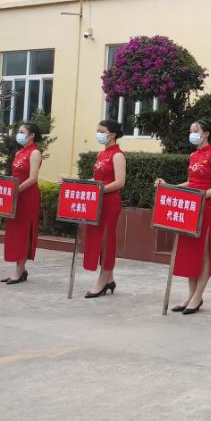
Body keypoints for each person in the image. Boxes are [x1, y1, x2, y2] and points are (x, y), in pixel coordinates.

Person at [155, 119, 211, 314]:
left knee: (203, 252)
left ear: (206, 133)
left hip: (204, 208)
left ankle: (198, 296)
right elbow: (191, 182)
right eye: (191, 130)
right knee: (190, 252)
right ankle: (190, 295)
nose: (192, 134)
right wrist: (170, 187)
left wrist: (199, 197)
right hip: (190, 209)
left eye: (196, 130)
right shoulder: (193, 155)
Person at [82, 119, 127, 298]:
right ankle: (110, 280)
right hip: (98, 201)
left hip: (110, 202)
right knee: (98, 239)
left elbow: (119, 182)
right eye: (98, 130)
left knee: (107, 240)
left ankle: (102, 281)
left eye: (102, 131)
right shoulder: (102, 154)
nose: (99, 134)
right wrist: (80, 183)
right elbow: (98, 179)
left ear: (112, 134)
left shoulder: (117, 155)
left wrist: (98, 190)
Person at [1, 122, 42, 285]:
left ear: (31, 135)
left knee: (25, 231)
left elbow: (33, 178)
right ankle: (20, 269)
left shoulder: (35, 153)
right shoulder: (19, 153)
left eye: (22, 132)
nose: (18, 134)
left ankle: (19, 270)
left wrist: (15, 190)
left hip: (28, 197)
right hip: (16, 196)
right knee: (15, 232)